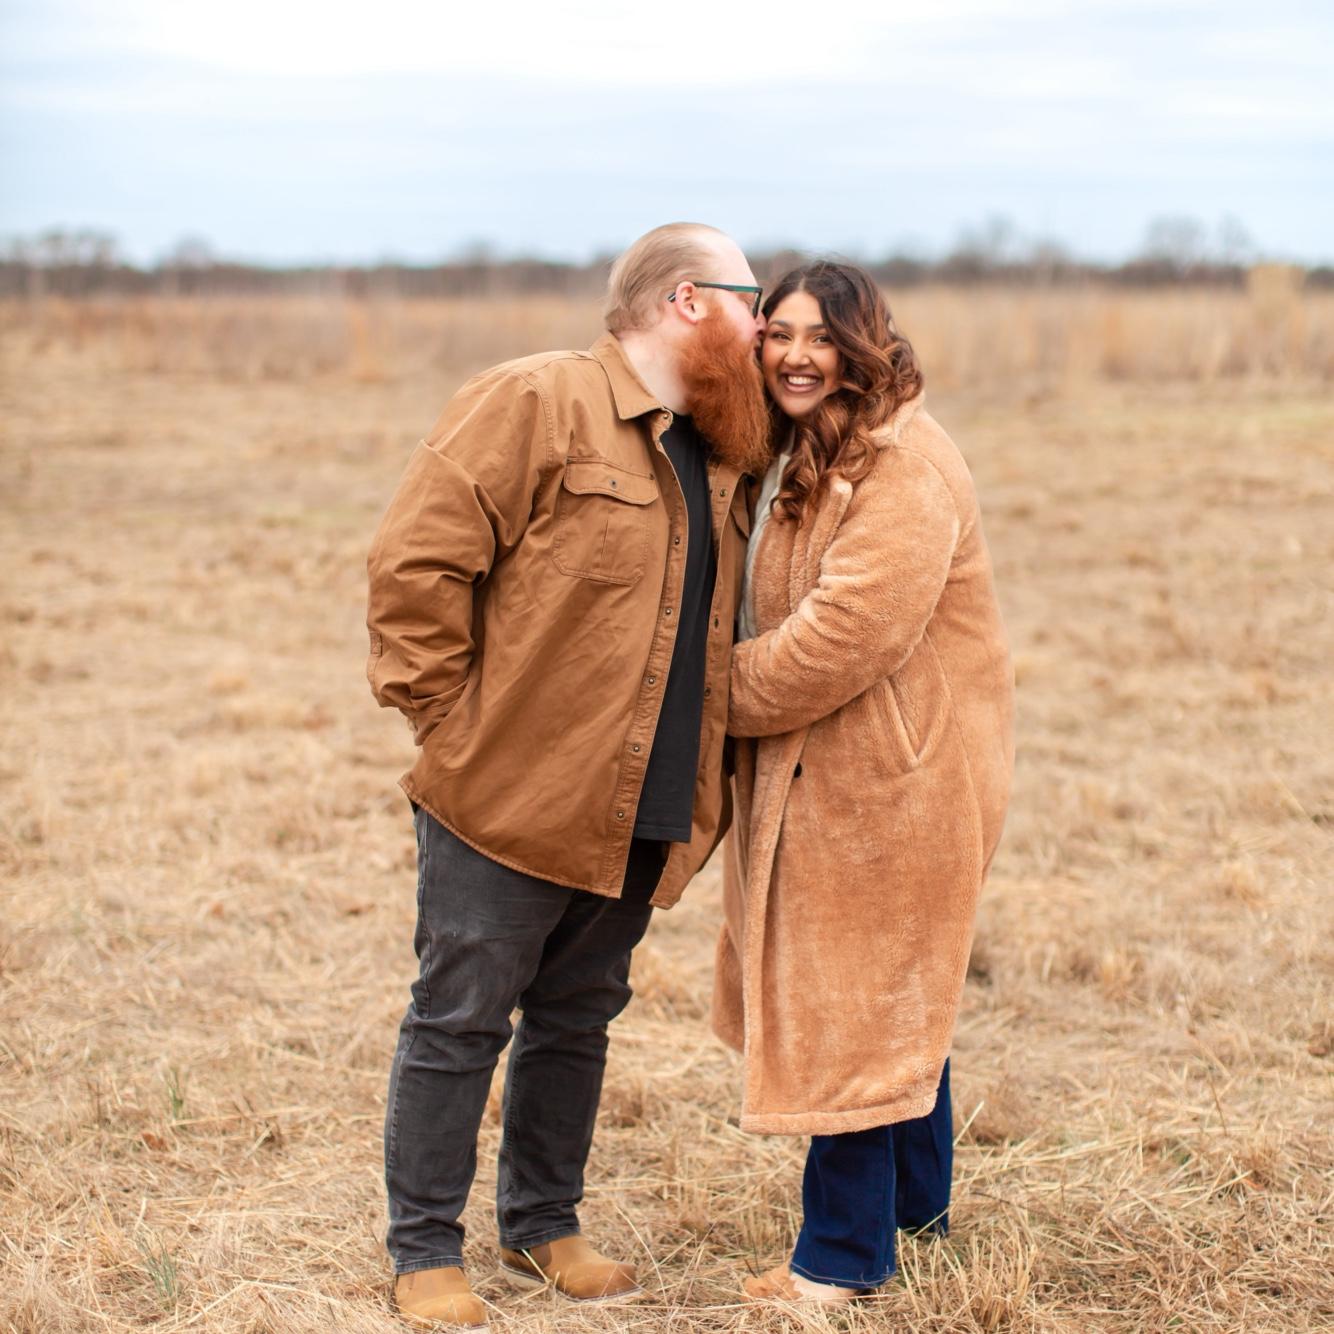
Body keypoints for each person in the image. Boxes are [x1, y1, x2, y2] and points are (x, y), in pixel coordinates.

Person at [366, 222, 772, 1329]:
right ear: (687, 299)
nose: (762, 325)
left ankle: (543, 1225)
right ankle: (424, 1248)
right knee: (460, 1018)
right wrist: (454, 727)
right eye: (750, 300)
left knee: (577, 1017)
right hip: (507, 796)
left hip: (645, 800)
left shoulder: (725, 444)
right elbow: (416, 563)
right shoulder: (537, 399)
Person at [712, 260, 1015, 1305]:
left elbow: (841, 638)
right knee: (895, 998)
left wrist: (703, 694)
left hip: (898, 784)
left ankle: (838, 1261)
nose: (796, 355)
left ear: (861, 346)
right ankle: (912, 1219)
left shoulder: (902, 464)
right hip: (840, 775)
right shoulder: (801, 445)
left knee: (851, 1004)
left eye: (821, 337)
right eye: (779, 333)